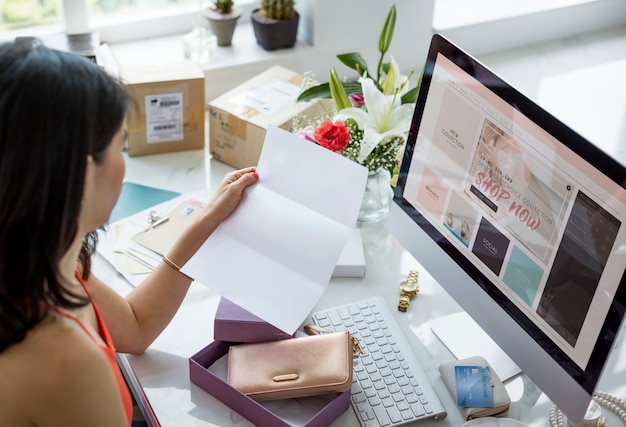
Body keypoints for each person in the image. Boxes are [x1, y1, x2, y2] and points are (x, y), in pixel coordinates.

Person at [0, 40, 258, 426]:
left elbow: (135, 327)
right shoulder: (67, 361)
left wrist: (207, 222)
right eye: (120, 147)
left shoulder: (36, 259)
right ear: (82, 174)